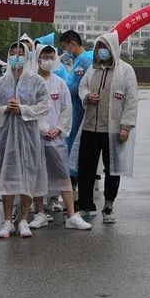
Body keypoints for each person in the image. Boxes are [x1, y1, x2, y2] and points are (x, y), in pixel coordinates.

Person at [70, 31, 139, 224]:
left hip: (113, 130)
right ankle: (85, 204)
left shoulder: (125, 71)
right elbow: (82, 87)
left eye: (105, 47)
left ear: (113, 49)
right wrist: (86, 96)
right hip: (90, 128)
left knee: (112, 169)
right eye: (99, 47)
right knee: (86, 168)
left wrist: (126, 126)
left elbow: (132, 100)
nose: (102, 51)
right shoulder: (92, 69)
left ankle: (108, 205)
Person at [0, 41, 50, 239]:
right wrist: (5, 109)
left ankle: (23, 219)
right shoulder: (0, 84)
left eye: (20, 52)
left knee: (27, 176)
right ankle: (8, 220)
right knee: (8, 176)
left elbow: (44, 106)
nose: (16, 55)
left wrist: (22, 109)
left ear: (27, 56)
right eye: (12, 52)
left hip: (29, 136)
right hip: (7, 136)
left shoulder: (37, 81)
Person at [31, 45, 93, 230]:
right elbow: (29, 109)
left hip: (56, 138)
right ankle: (40, 212)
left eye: (51, 56)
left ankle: (71, 214)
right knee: (37, 175)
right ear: (37, 58)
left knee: (63, 175)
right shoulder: (30, 82)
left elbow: (67, 110)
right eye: (45, 56)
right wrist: (42, 129)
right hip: (36, 137)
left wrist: (58, 129)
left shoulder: (60, 83)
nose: (48, 60)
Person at [59, 30, 94, 196]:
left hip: (78, 111)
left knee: (73, 148)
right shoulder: (83, 59)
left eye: (65, 46)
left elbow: (71, 87)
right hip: (79, 111)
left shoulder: (83, 61)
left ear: (71, 43)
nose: (65, 50)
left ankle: (73, 190)